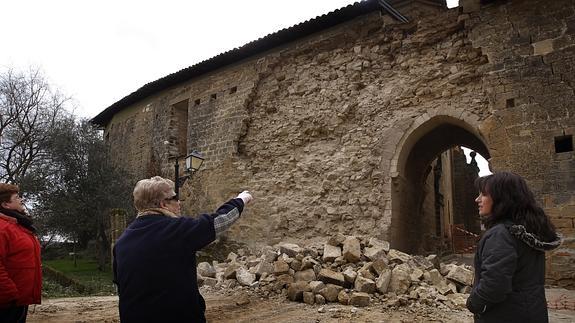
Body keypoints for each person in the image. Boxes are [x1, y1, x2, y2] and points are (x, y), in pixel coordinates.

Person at [113, 176, 253, 323]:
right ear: (163, 204)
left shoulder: (121, 242)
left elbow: (120, 286)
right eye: (175, 197)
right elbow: (218, 221)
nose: (179, 202)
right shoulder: (175, 231)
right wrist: (241, 199)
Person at [466, 171, 561, 323]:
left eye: (483, 194)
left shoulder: (500, 234)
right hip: (531, 312)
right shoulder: (527, 230)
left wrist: (473, 304)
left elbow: (494, 285)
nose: (477, 199)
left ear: (501, 198)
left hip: (505, 315)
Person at [0, 183, 42, 323]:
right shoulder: (3, 228)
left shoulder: (18, 225)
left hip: (19, 298)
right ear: (6, 204)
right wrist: (9, 294)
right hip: (8, 301)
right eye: (17, 197)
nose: (21, 199)